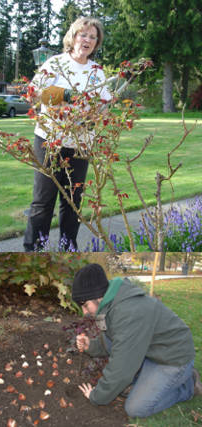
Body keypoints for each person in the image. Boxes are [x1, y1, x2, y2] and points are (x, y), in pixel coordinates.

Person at [24, 17, 111, 252]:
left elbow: (104, 105)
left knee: (73, 201)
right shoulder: (55, 64)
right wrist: (66, 95)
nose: (88, 40)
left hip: (81, 143)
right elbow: (33, 93)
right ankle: (34, 251)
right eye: (84, 35)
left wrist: (96, 114)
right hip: (49, 140)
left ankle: (67, 250)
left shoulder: (97, 73)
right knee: (43, 201)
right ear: (73, 37)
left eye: (93, 37)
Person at [72, 263, 202, 418]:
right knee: (128, 387)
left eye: (86, 305)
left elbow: (121, 370)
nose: (84, 312)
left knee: (136, 408)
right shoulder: (110, 303)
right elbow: (112, 338)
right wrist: (91, 345)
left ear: (99, 297)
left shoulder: (129, 313)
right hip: (154, 352)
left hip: (173, 358)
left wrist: (96, 396)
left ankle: (189, 385)